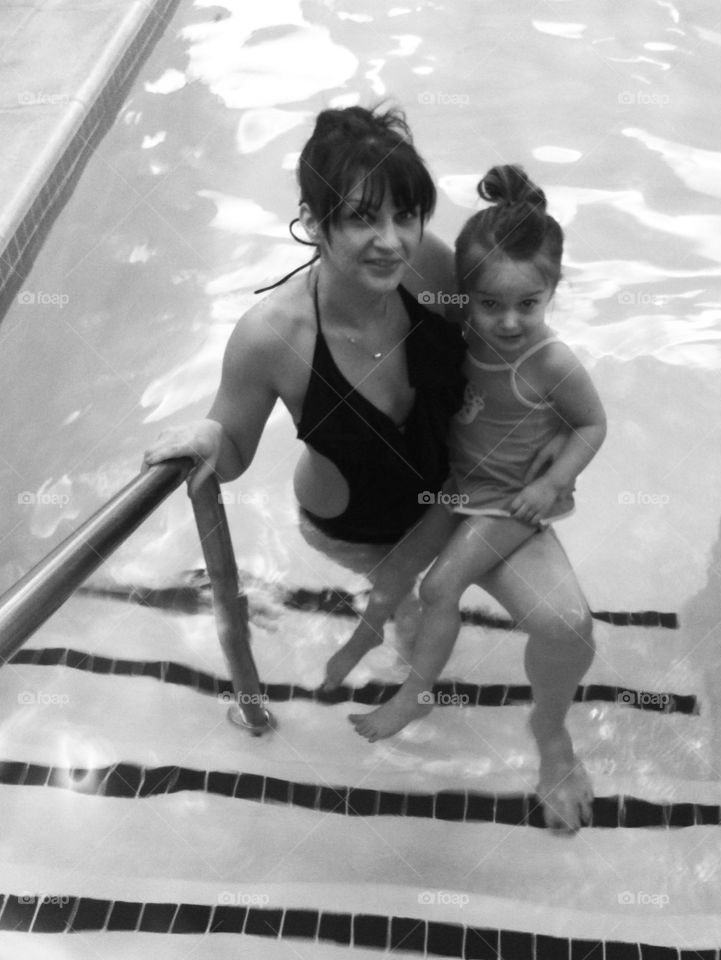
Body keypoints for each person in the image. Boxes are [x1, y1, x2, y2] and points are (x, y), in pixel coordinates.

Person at [143, 104, 597, 832]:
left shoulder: (435, 272)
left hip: (467, 494)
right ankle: (402, 623)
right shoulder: (273, 336)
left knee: (569, 626)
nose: (390, 241)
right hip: (356, 529)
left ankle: (552, 738)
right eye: (361, 219)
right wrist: (204, 436)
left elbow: (512, 333)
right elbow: (230, 454)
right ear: (315, 221)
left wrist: (556, 434)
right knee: (416, 635)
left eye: (406, 215)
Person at [334, 165, 606, 756]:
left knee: (440, 587)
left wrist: (555, 481)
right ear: (467, 297)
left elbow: (592, 423)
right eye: (490, 304)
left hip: (508, 500)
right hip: (459, 487)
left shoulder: (551, 363)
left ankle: (419, 690)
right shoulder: (465, 337)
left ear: (552, 292)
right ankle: (367, 637)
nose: (508, 321)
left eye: (528, 304)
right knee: (395, 573)